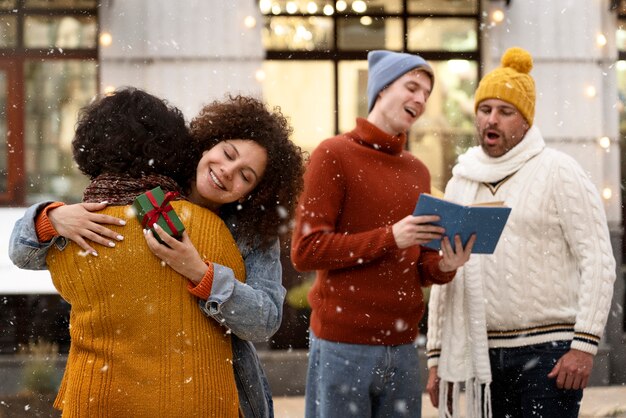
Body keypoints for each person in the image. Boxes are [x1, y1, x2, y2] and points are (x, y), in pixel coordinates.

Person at [9, 89, 306, 417]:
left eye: (245, 176)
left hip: (211, 388)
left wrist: (200, 272)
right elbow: (24, 254)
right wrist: (51, 218)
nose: (227, 171)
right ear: (209, 143)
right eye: (228, 153)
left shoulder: (252, 234)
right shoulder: (142, 185)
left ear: (254, 192)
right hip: (124, 388)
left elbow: (264, 322)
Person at [425, 47, 617, 418]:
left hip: (550, 352)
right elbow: (447, 278)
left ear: (526, 120)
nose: (491, 119)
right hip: (483, 356)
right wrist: (436, 358)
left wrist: (584, 345)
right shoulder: (461, 180)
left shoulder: (559, 171)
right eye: (485, 110)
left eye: (505, 111)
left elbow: (598, 260)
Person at [290, 50, 475, 418]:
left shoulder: (418, 171)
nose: (420, 99)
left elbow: (421, 267)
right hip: (343, 346)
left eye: (426, 93)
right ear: (381, 89)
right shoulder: (333, 154)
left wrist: (447, 265)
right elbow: (306, 251)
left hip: (404, 348)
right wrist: (391, 237)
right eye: (411, 87)